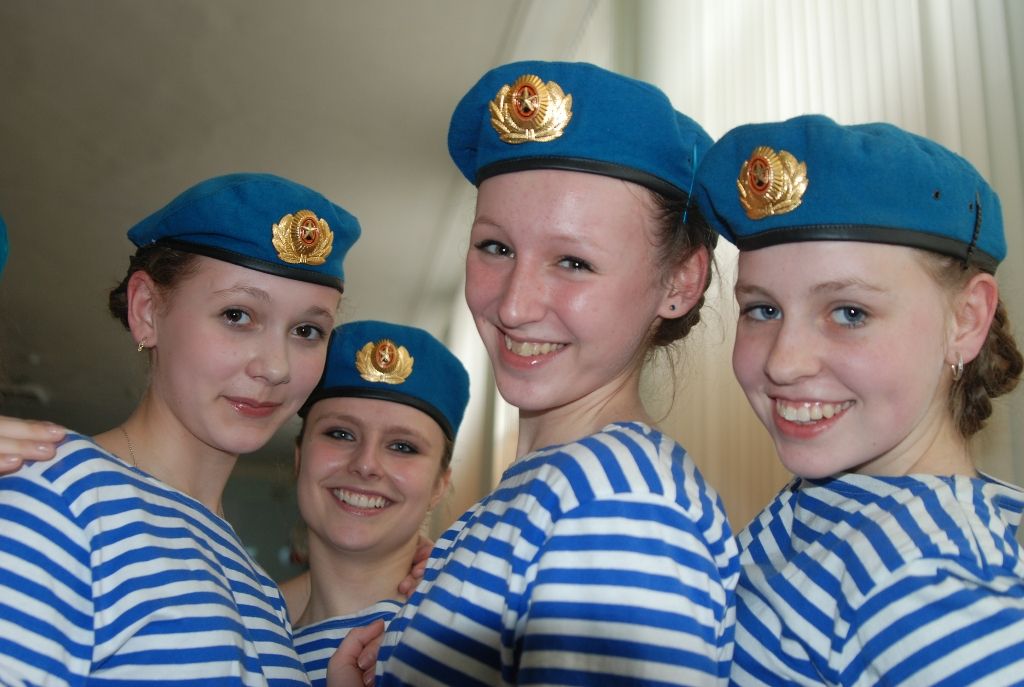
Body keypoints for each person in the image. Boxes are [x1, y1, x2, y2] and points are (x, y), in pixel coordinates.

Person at [336, 60, 739, 686]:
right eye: (495, 248)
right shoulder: (549, 494)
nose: (514, 305)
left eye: (573, 262)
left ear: (679, 283)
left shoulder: (614, 505)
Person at [691, 115, 1024, 685]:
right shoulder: (842, 500)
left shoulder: (926, 585)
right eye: (763, 309)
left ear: (966, 320)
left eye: (850, 313)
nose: (783, 362)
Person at [0, 172, 361, 684]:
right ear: (147, 311)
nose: (276, 367)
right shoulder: (59, 495)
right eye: (237, 315)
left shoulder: (258, 588)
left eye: (307, 330)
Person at [279, 319, 469, 686]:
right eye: (340, 433)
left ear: (439, 485)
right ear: (299, 458)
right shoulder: (240, 627)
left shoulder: (471, 647)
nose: (365, 464)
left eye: (402, 446)